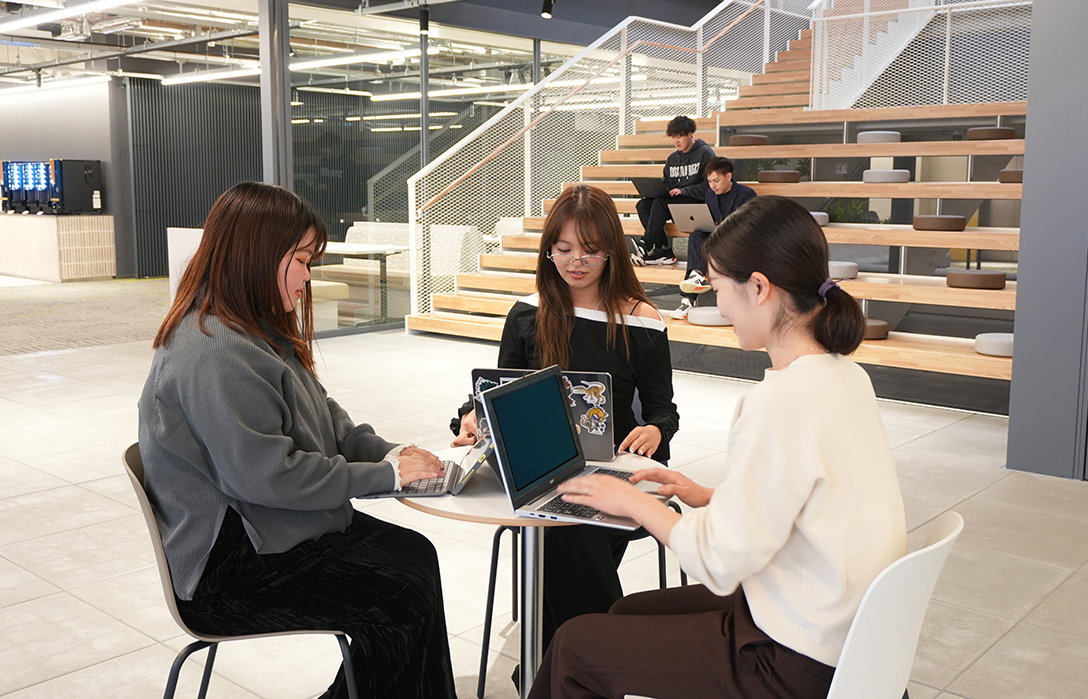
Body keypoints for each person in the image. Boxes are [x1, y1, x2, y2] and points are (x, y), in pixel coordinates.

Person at [530, 195, 907, 699]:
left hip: (792, 659)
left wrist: (632, 503)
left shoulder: (778, 400)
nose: (719, 305)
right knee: (623, 613)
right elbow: (803, 500)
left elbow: (718, 561)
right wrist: (708, 495)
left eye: (717, 287)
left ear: (759, 287)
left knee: (574, 645)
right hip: (844, 633)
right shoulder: (847, 375)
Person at [137, 181, 457, 699]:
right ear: (256, 255)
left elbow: (327, 420)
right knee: (400, 592)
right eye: (302, 260)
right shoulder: (212, 350)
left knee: (414, 557)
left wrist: (390, 455)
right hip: (231, 568)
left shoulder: (257, 330)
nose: (308, 276)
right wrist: (386, 476)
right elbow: (269, 476)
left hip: (270, 529)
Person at [497, 184, 680, 650]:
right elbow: (496, 393)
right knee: (560, 527)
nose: (575, 261)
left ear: (612, 251)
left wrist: (654, 430)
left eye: (590, 250)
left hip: (617, 471)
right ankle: (586, 658)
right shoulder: (527, 314)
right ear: (548, 251)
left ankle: (561, 658)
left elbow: (663, 411)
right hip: (541, 469)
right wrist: (472, 417)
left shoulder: (640, 320)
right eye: (562, 250)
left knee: (568, 535)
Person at [672, 156, 757, 320]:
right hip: (717, 240)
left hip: (738, 243)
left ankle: (691, 292)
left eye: (716, 181)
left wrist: (726, 228)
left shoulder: (747, 194)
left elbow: (755, 225)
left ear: (728, 176)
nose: (712, 185)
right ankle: (693, 285)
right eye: (710, 181)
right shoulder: (710, 195)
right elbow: (709, 220)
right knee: (696, 234)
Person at [631, 116, 716, 266]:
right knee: (643, 205)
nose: (676, 141)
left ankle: (646, 244)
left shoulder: (705, 153)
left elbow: (710, 186)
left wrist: (684, 191)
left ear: (691, 134)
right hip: (676, 201)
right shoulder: (672, 159)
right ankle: (663, 249)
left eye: (680, 136)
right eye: (673, 137)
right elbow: (667, 184)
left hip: (696, 202)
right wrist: (659, 191)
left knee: (660, 203)